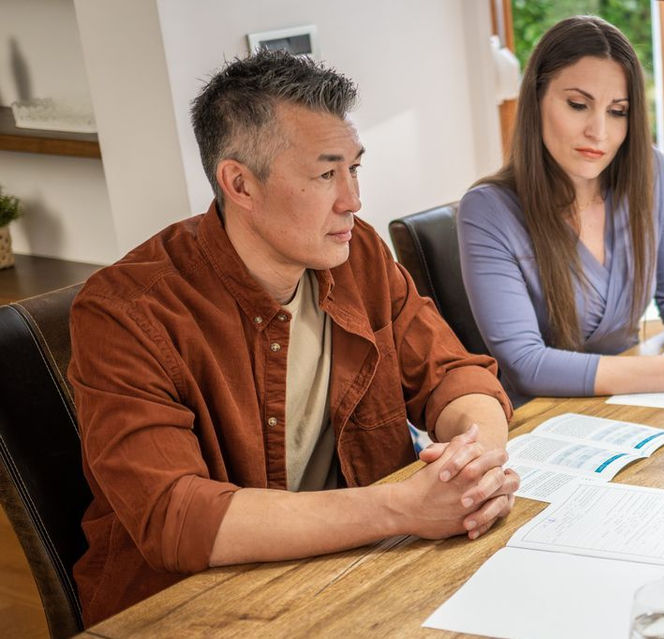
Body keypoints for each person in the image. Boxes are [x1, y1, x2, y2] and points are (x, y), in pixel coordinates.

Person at [69, 51, 519, 625]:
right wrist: (402, 508)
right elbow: (174, 516)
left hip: (358, 575)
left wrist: (477, 463)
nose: (352, 200)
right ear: (240, 184)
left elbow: (453, 375)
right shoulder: (125, 313)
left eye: (355, 168)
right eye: (326, 174)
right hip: (199, 608)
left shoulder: (359, 256)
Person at [457, 16, 664, 406]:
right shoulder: (487, 210)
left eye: (618, 111)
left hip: (632, 406)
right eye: (578, 105)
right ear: (536, 100)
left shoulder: (649, 173)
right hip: (543, 420)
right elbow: (525, 364)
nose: (599, 132)